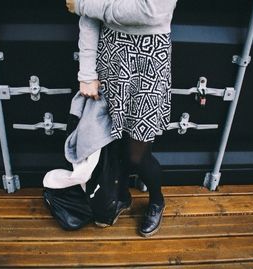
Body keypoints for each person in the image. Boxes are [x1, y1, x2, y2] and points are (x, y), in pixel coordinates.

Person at [66, 0, 178, 237]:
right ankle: (121, 196)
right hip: (110, 57)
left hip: (148, 61)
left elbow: (150, 12)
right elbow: (88, 21)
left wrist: (84, 4)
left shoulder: (86, 4)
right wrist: (87, 72)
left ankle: (157, 200)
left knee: (136, 153)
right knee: (112, 140)